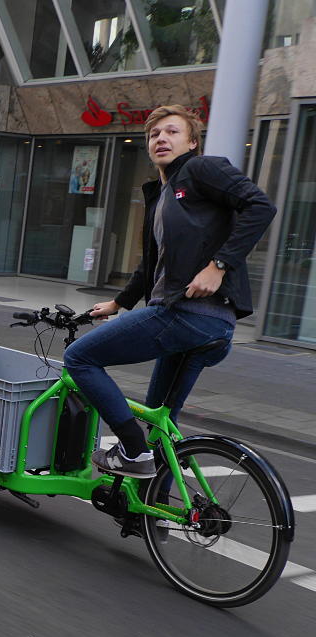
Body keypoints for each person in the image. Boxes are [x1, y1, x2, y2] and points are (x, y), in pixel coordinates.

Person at [64, 105, 276, 478]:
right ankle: (158, 510)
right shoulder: (163, 195)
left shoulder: (200, 169)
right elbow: (151, 265)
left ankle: (132, 452)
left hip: (189, 313)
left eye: (172, 132)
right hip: (204, 325)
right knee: (161, 415)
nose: (161, 138)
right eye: (154, 134)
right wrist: (118, 302)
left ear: (193, 142)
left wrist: (219, 265)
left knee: (80, 358)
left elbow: (260, 205)